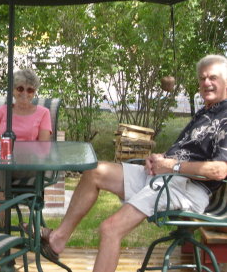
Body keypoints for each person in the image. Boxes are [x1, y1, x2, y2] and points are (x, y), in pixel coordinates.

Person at [38, 54, 227, 272]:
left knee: (110, 229)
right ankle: (58, 238)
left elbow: (220, 170)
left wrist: (171, 165)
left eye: (212, 77)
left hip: (186, 188)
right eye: (202, 79)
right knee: (95, 171)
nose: (206, 83)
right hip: (165, 177)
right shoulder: (205, 112)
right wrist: (159, 157)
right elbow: (186, 151)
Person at [0, 69, 52, 227]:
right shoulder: (3, 111)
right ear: (13, 90)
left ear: (34, 92)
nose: (25, 93)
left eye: (30, 90)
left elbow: (44, 147)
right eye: (20, 88)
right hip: (1, 162)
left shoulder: (43, 113)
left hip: (28, 165)